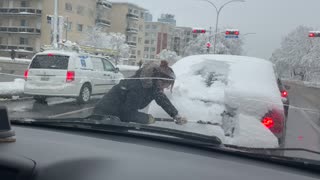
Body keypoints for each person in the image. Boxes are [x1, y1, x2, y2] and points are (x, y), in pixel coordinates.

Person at [92, 60, 187, 125]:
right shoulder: (138, 86)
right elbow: (127, 114)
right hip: (103, 118)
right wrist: (147, 119)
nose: (166, 88)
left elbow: (162, 100)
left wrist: (176, 115)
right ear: (160, 81)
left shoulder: (150, 85)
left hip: (114, 119)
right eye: (167, 85)